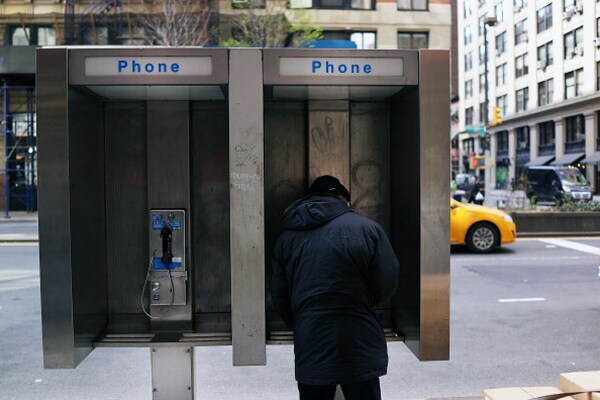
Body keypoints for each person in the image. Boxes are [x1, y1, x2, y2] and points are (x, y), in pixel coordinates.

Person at [270, 175, 400, 400]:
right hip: (358, 332)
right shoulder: (368, 229)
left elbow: (279, 293)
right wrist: (367, 304)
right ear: (343, 199)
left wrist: (300, 320)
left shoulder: (287, 238)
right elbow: (387, 279)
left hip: (311, 335)